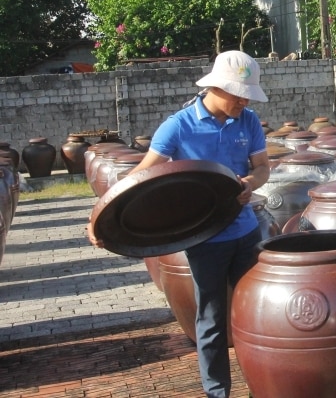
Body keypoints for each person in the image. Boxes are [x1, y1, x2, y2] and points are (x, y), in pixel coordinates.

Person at [88, 50, 271, 398]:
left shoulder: (247, 120)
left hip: (247, 231)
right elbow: (143, 172)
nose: (243, 101)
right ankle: (217, 391)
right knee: (212, 319)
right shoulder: (179, 125)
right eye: (238, 94)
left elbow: (262, 168)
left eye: (248, 95)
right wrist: (100, 215)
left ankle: (259, 384)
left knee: (253, 316)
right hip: (206, 238)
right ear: (216, 87)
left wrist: (251, 183)